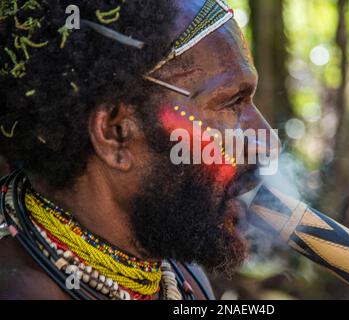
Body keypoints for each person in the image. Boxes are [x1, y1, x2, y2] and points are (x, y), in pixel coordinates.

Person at [0, 0, 272, 300]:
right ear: (115, 134)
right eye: (232, 102)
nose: (267, 142)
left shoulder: (184, 278)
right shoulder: (19, 290)